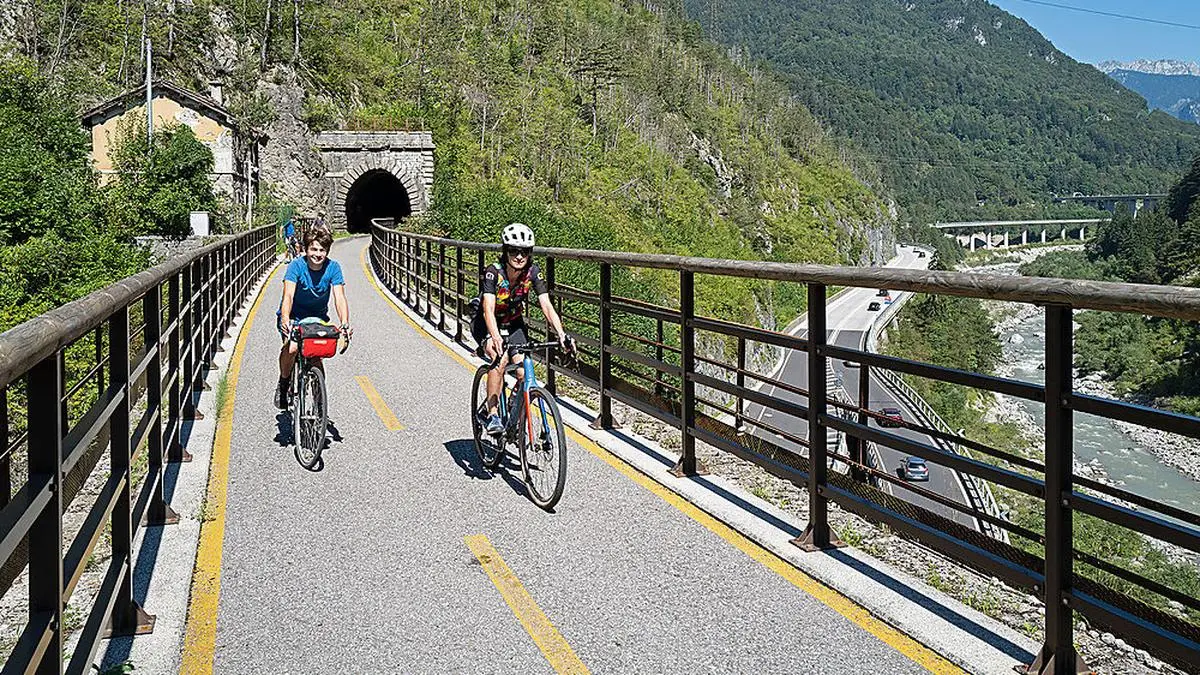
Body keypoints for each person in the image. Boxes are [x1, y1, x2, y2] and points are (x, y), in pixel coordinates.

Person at [473, 222, 573, 435]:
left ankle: (514, 404)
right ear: (505, 251)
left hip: (514, 322)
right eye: (514, 251)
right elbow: (488, 309)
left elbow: (546, 305)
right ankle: (491, 414)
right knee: (498, 358)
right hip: (487, 323)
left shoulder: (533, 273)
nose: (519, 256)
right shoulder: (493, 272)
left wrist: (562, 334)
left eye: (525, 252)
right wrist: (494, 336)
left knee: (522, 371)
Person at [275, 226, 353, 408]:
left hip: (317, 317)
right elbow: (288, 295)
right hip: (293, 315)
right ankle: (284, 382)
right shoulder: (296, 266)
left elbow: (339, 297)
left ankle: (320, 402)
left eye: (322, 250)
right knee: (293, 348)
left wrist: (344, 323)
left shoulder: (333, 268)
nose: (318, 254)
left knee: (316, 355)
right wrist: (285, 318)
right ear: (306, 249)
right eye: (314, 249)